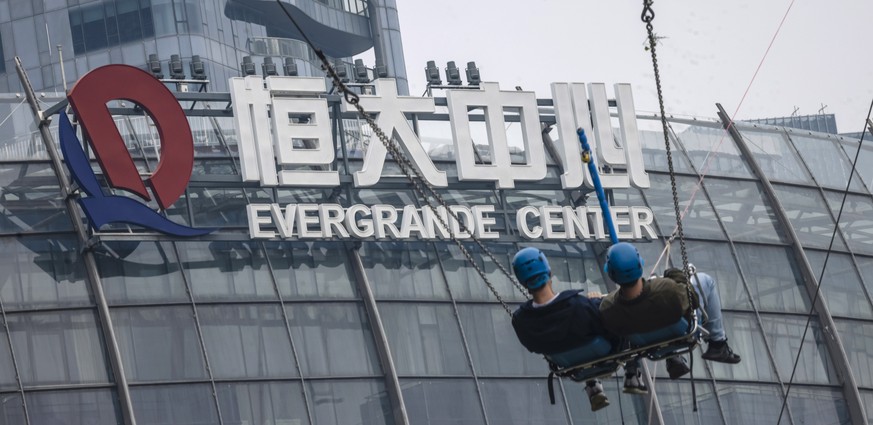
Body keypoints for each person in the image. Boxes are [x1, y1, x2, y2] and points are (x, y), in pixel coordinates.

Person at [509, 247, 647, 412]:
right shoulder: (579, 305)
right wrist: (597, 303)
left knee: (572, 342)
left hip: (568, 363)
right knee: (620, 320)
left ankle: (592, 385)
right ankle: (632, 373)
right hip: (607, 353)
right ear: (549, 271)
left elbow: (533, 346)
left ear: (522, 281)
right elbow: (607, 323)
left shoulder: (522, 320)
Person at [599, 242, 741, 365]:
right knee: (705, 281)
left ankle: (672, 358)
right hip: (682, 331)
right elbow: (692, 299)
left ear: (611, 274)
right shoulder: (665, 289)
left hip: (646, 340)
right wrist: (676, 276)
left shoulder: (608, 308)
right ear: (639, 266)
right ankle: (718, 343)